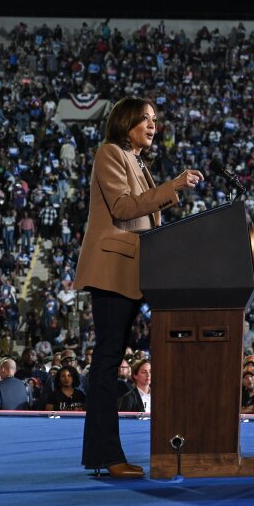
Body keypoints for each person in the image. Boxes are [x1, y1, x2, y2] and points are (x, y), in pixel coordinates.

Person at [74, 97, 203, 478]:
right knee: (107, 363)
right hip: (113, 270)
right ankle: (106, 455)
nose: (152, 124)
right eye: (145, 118)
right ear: (125, 120)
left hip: (137, 273)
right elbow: (124, 208)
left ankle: (104, 453)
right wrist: (173, 185)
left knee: (110, 361)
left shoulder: (136, 160)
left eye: (155, 119)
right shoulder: (109, 153)